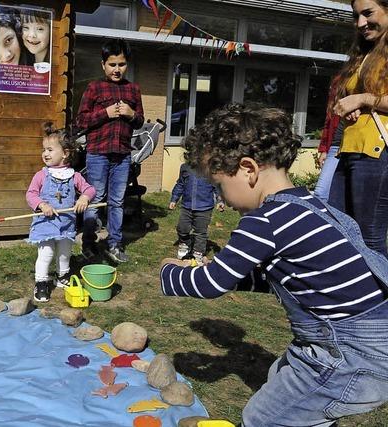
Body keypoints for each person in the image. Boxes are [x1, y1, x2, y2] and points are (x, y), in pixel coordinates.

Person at [160, 103, 388, 426]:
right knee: (280, 378)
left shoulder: (264, 220)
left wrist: (169, 273)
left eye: (219, 185)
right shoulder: (309, 205)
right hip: (365, 340)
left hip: (347, 353)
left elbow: (210, 284)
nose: (221, 197)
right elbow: (283, 277)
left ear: (249, 169)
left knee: (262, 417)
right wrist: (234, 275)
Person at [76, 38, 144, 263]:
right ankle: (88, 243)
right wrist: (105, 112)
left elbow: (140, 122)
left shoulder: (133, 90)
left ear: (127, 64)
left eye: (122, 64)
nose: (117, 69)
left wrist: (131, 114)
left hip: (123, 155)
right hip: (97, 153)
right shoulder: (94, 88)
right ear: (103, 64)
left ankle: (115, 244)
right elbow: (81, 121)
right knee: (95, 199)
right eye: (112, 64)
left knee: (117, 201)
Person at [329, 0, 388, 257]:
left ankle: (381, 295)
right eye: (356, 16)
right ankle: (354, 294)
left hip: (377, 153)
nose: (361, 23)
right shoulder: (364, 54)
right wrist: (351, 105)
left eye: (368, 13)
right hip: (350, 149)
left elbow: (367, 97)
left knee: (369, 238)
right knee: (339, 230)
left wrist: (363, 98)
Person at [26, 123, 95, 303]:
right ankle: (41, 282)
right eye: (44, 150)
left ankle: (62, 276)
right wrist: (41, 204)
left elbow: (89, 189)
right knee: (46, 253)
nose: (45, 154)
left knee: (64, 253)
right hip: (45, 224)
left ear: (65, 153)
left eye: (50, 149)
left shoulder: (74, 176)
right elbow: (31, 194)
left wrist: (84, 198)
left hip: (66, 224)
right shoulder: (41, 175)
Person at [169, 163, 224, 264]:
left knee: (200, 232)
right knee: (182, 228)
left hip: (204, 207)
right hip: (187, 206)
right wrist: (174, 199)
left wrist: (220, 201)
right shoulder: (185, 167)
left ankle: (198, 252)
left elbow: (217, 186)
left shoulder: (211, 168)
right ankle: (185, 243)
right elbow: (180, 184)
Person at [313, 75, 342, 202]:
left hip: (357, 145)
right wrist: (324, 149)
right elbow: (329, 119)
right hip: (335, 145)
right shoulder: (339, 79)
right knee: (320, 193)